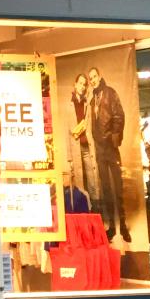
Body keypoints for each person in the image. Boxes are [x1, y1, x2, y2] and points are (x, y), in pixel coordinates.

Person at [88, 66, 129, 242]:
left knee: (118, 187)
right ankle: (112, 226)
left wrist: (114, 136)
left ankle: (123, 226)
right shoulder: (92, 100)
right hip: (100, 150)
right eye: (90, 78)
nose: (92, 80)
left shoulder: (110, 93)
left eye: (94, 76)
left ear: (100, 76)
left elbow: (119, 115)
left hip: (111, 148)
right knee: (105, 189)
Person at [68, 73, 100, 207]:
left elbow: (91, 126)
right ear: (75, 84)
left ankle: (95, 209)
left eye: (84, 84)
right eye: (80, 83)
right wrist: (69, 158)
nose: (82, 86)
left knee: (92, 180)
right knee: (79, 180)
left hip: (87, 147)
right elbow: (67, 133)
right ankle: (83, 209)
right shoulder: (69, 105)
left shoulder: (87, 104)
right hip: (76, 148)